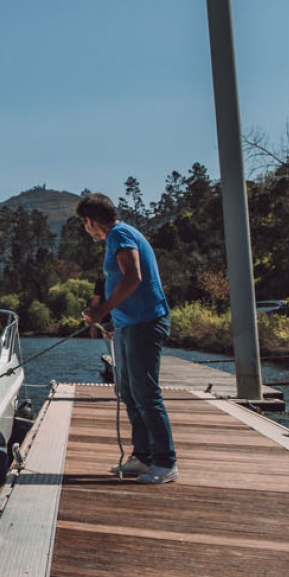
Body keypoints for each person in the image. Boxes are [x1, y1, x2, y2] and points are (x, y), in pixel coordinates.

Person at [76, 193, 177, 484]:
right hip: (128, 325)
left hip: (145, 323)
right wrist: (110, 320)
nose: (86, 229)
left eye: (85, 223)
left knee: (146, 394)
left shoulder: (120, 235)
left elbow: (133, 278)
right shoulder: (118, 237)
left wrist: (102, 311)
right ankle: (143, 457)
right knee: (131, 394)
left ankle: (166, 462)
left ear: (91, 221)